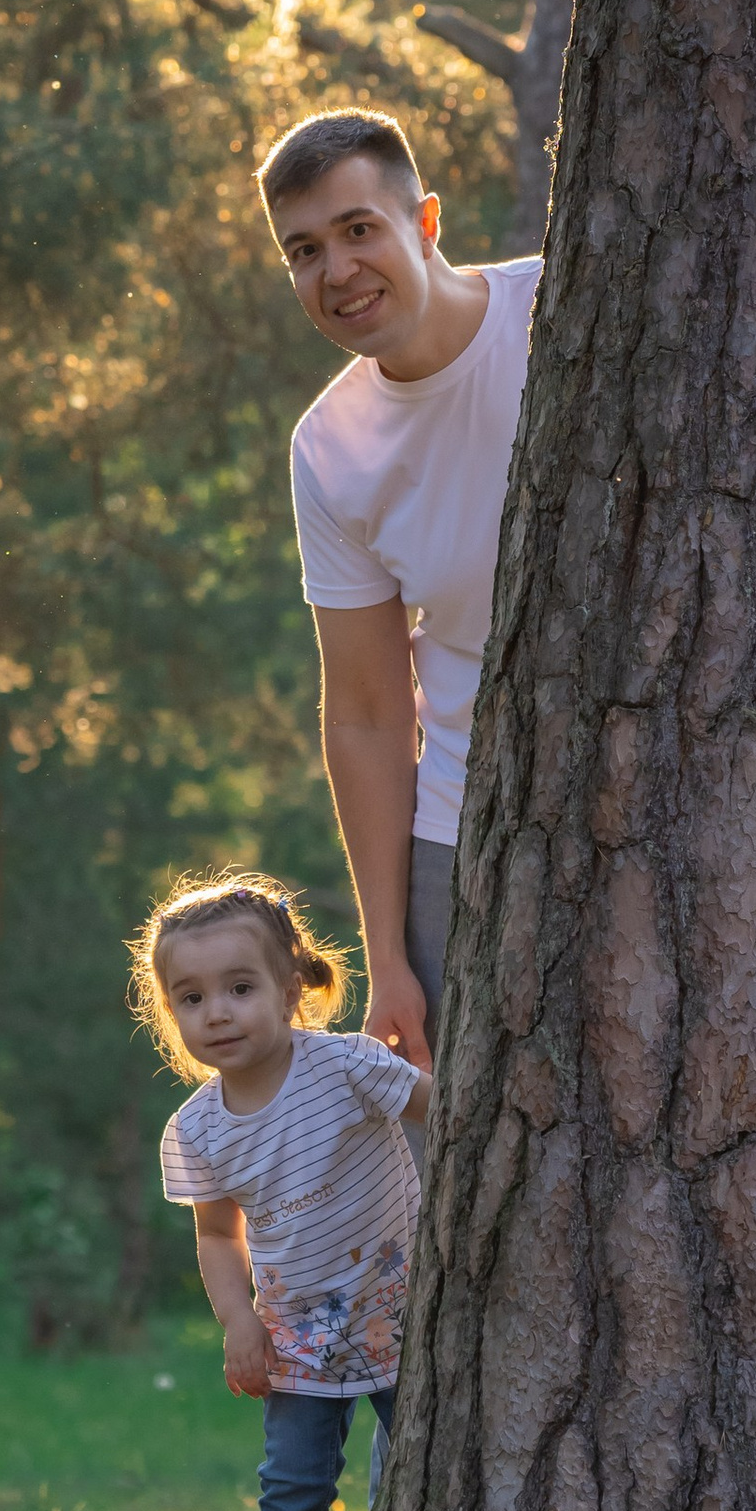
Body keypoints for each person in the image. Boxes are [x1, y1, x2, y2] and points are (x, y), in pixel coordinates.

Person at [260, 106, 540, 1073]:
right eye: (303, 250)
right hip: (468, 831)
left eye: (357, 230)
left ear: (424, 222)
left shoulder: (565, 310)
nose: (335, 271)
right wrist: (389, 958)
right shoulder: (328, 449)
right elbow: (372, 714)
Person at [136, 870, 428, 1511]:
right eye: (190, 998)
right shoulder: (196, 1128)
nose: (216, 1012)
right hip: (296, 1332)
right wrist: (238, 1320)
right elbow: (217, 1236)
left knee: (433, 1462)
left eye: (238, 987)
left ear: (292, 985)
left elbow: (450, 1112)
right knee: (295, 1490)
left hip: (408, 1308)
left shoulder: (347, 1067)